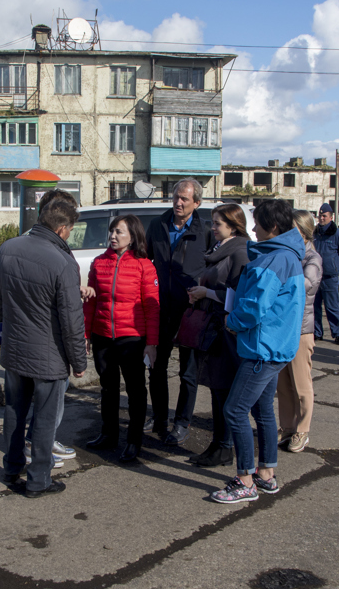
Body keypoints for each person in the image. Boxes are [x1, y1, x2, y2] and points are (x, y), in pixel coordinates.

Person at [0, 198, 87, 497]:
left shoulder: (7, 248)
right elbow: (72, 321)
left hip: (15, 349)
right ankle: (38, 480)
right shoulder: (63, 263)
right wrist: (80, 362)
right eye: (70, 230)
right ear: (62, 229)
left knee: (14, 412)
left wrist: (5, 334)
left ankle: (11, 467)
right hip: (49, 357)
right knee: (44, 420)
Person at [212, 199, 305, 504]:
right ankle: (266, 473)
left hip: (262, 348)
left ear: (273, 227)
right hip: (275, 347)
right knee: (262, 410)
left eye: (258, 223)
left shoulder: (275, 258)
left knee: (234, 410)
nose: (253, 228)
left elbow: (256, 305)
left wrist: (233, 321)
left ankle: (244, 480)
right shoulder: (286, 255)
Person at [83, 215, 160, 463]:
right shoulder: (99, 263)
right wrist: (85, 335)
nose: (113, 236)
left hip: (132, 339)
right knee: (108, 388)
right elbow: (91, 303)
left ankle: (134, 440)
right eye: (112, 231)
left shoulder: (144, 265)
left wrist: (151, 343)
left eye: (119, 232)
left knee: (136, 391)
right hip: (103, 336)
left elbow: (152, 308)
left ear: (133, 236)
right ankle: (108, 435)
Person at [144, 178, 209, 446]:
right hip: (160, 308)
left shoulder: (205, 232)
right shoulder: (157, 226)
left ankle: (182, 423)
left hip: (190, 311)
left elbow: (212, 269)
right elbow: (145, 260)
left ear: (197, 203)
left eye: (184, 199)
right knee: (157, 368)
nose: (178, 202)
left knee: (188, 372)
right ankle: (159, 418)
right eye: (176, 197)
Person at [186, 204, 252, 467]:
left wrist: (208, 294)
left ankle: (225, 447)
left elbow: (239, 296)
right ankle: (218, 445)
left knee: (224, 390)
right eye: (212, 223)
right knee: (217, 389)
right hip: (213, 327)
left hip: (227, 331)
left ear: (234, 226)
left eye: (217, 224)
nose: (212, 228)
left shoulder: (240, 251)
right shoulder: (219, 249)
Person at [23, 189, 83, 469]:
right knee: (46, 401)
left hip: (35, 339)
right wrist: (79, 361)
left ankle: (43, 442)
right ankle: (38, 451)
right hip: (47, 342)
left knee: (52, 401)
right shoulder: (45, 251)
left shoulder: (50, 249)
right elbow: (69, 317)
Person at [274, 210, 323, 454]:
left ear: (302, 233)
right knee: (283, 384)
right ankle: (287, 427)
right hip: (285, 328)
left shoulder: (312, 259)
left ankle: (302, 430)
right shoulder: (291, 255)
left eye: (291, 230)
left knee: (301, 383)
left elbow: (301, 286)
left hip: (301, 331)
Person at [312, 203, 339, 345]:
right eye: (320, 216)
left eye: (324, 216)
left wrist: (335, 266)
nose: (321, 218)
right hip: (315, 276)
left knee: (332, 307)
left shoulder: (337, 235)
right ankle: (317, 333)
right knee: (315, 307)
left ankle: (337, 334)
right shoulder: (315, 234)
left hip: (330, 277)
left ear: (331, 217)